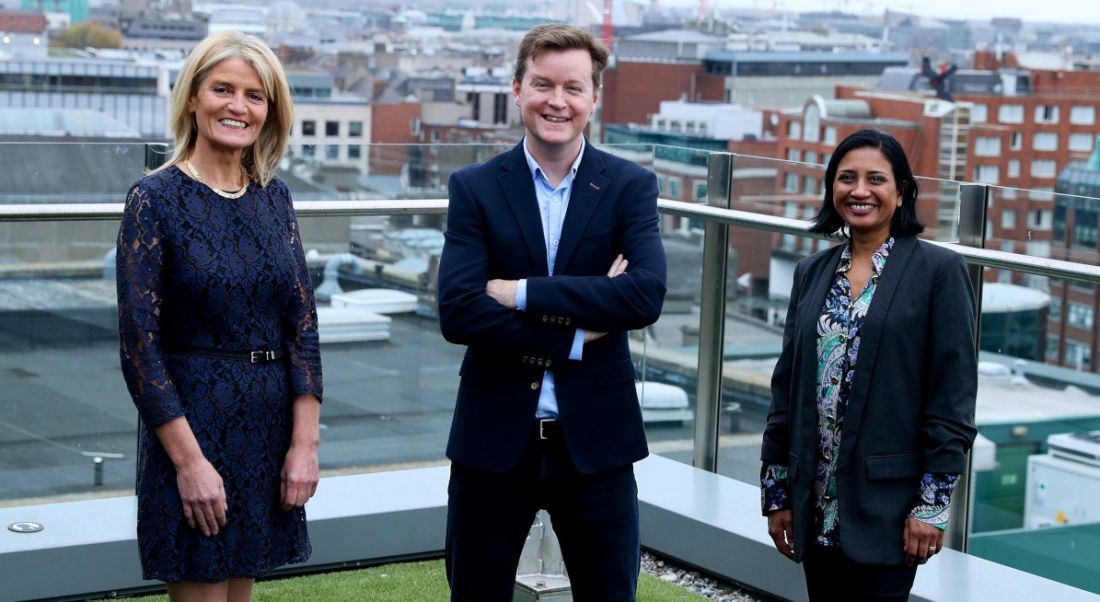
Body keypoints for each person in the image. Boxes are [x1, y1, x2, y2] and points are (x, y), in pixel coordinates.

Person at [436, 23, 667, 601]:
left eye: (572, 87)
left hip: (596, 443)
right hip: (493, 444)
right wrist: (577, 330)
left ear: (595, 97)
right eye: (542, 84)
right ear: (517, 89)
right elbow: (459, 312)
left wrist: (521, 293)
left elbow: (643, 296)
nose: (556, 102)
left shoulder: (629, 186)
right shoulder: (476, 188)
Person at [116, 31, 321, 602]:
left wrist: (305, 446)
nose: (239, 106)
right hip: (193, 429)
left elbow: (302, 329)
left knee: (239, 594)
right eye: (223, 89)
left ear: (270, 110)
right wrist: (188, 463)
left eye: (255, 96)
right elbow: (140, 350)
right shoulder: (153, 199)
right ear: (191, 98)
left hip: (267, 428)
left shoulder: (275, 198)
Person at [760, 128, 978, 601]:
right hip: (813, 503)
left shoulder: (939, 272)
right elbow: (786, 391)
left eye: (876, 179)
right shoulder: (812, 272)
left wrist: (932, 506)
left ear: (901, 192)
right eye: (847, 178)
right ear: (831, 189)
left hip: (890, 506)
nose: (860, 191)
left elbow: (952, 398)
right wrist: (777, 493)